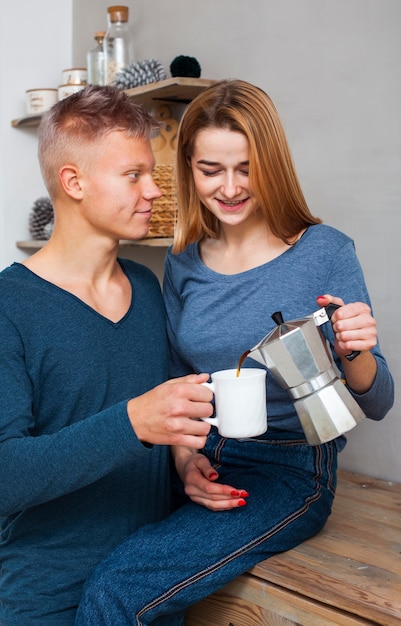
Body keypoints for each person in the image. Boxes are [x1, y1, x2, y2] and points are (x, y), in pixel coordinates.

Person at [74, 79, 394, 626]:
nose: (229, 187)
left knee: (118, 586)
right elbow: (183, 377)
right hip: (201, 455)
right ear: (189, 169)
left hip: (288, 468)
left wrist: (355, 349)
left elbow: (380, 401)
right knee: (86, 552)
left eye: (245, 167)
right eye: (210, 169)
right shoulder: (184, 262)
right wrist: (183, 457)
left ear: (271, 162)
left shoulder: (325, 252)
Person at [0, 85, 215, 625]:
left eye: (152, 172)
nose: (154, 190)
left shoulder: (147, 287)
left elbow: (169, 423)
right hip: (46, 598)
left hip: (149, 585)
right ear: (73, 182)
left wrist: (186, 462)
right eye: (133, 175)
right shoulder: (8, 306)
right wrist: (133, 422)